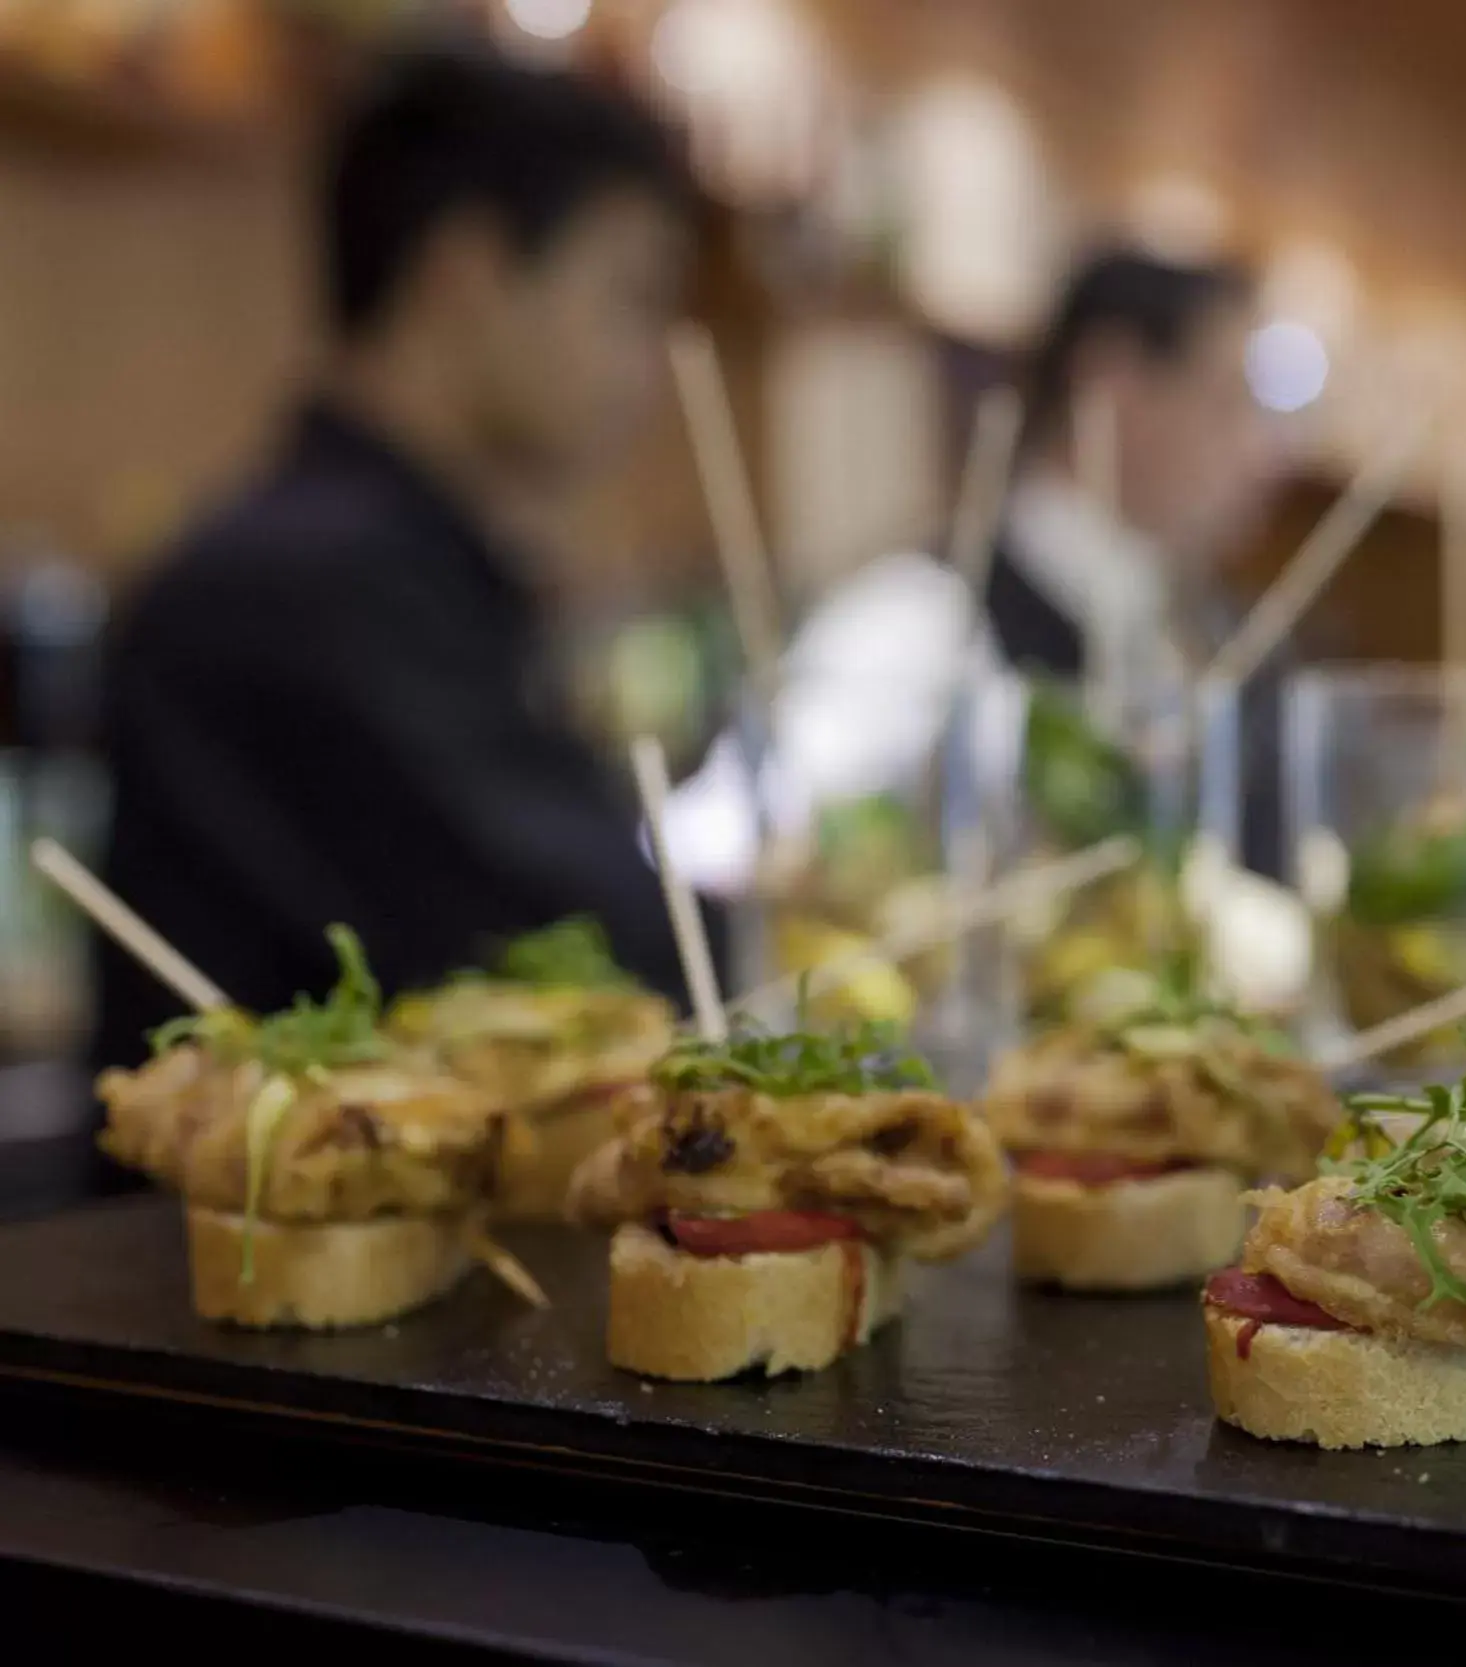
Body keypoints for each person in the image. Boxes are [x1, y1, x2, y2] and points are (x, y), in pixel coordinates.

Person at [89, 49, 702, 1072]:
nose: (650, 370)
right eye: (630, 299)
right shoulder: (300, 586)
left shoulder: (382, 563)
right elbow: (603, 949)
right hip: (239, 1221)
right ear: (466, 275)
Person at [666, 249, 1293, 887]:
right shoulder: (927, 615)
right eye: (1229, 403)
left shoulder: (1208, 636)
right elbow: (714, 843)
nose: (1265, 455)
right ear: (1115, 383)